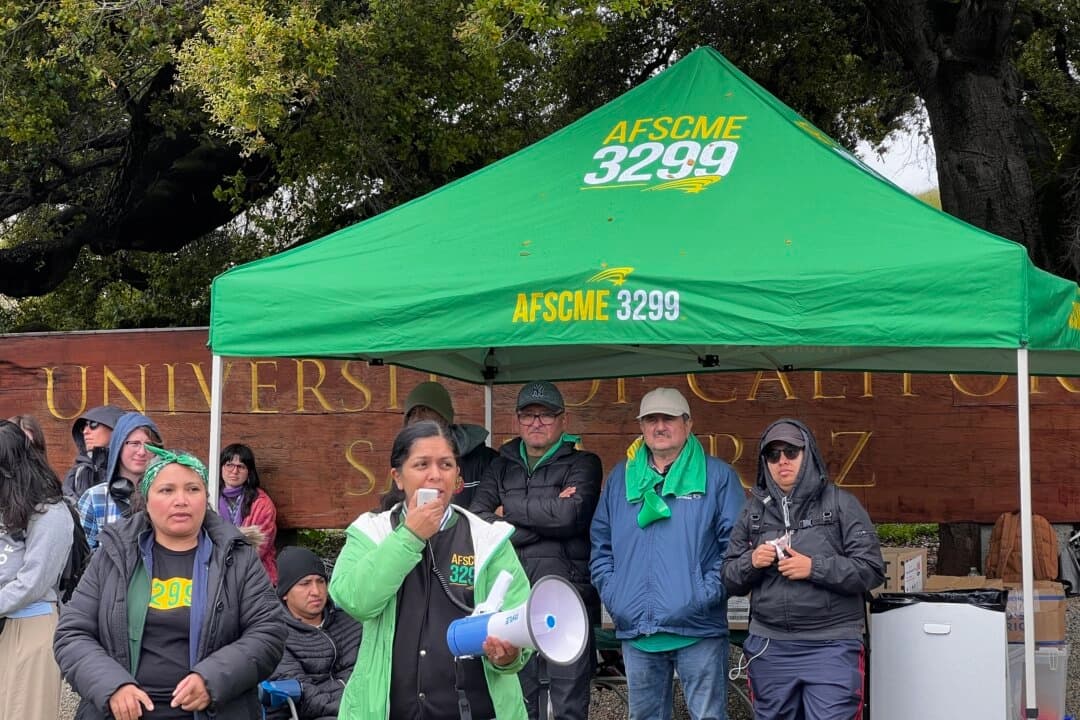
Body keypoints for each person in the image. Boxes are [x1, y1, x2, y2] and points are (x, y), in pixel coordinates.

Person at [54, 446, 285, 720]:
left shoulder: (237, 557)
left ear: (206, 498)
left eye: (192, 489)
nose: (181, 500)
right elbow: (71, 634)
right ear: (147, 501)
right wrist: (112, 685)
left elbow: (268, 632)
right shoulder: (113, 555)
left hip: (214, 710)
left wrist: (212, 679)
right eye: (166, 490)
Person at [329, 420, 532, 720]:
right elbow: (355, 600)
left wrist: (509, 656)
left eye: (446, 465)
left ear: (457, 478)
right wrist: (410, 536)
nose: (435, 475)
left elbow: (520, 617)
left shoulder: (488, 538)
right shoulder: (371, 532)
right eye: (422, 464)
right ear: (398, 477)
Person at [590, 387, 745, 720]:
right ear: (642, 427)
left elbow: (735, 548)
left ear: (688, 424)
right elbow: (600, 544)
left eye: (668, 418)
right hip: (638, 633)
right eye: (650, 419)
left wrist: (701, 595)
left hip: (698, 629)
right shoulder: (621, 478)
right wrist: (617, 595)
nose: (659, 426)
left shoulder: (718, 477)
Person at [722, 419, 885, 720]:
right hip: (769, 646)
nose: (782, 461)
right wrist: (752, 562)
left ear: (807, 453)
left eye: (791, 452)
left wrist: (814, 567)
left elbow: (872, 569)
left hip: (831, 644)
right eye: (773, 455)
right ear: (765, 462)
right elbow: (729, 579)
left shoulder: (841, 504)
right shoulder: (752, 512)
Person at [470, 380, 602, 720]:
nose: (536, 423)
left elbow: (571, 516)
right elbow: (481, 522)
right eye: (528, 415)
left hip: (567, 597)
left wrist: (508, 512)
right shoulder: (500, 465)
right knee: (519, 699)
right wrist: (548, 515)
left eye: (545, 415)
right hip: (512, 596)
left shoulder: (584, 463)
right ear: (516, 421)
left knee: (568, 704)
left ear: (563, 420)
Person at [0, 420, 74, 720]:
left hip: (29, 627)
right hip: (4, 622)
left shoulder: (51, 512)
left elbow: (34, 581)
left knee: (23, 713)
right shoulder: (7, 505)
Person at [265, 546, 362, 720]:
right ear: (285, 593)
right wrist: (357, 709)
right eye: (305, 584)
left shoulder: (351, 621)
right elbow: (306, 699)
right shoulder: (273, 634)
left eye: (320, 581)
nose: (316, 591)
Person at [380, 380, 497, 510]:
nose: (418, 417)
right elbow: (393, 508)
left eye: (424, 410)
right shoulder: (406, 460)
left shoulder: (484, 459)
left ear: (444, 416)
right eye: (412, 412)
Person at [76, 412, 161, 549]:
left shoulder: (165, 496)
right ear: (118, 446)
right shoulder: (94, 498)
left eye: (149, 445)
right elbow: (83, 558)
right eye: (134, 443)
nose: (142, 452)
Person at [218, 443, 278, 584]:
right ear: (220, 467)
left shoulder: (262, 503)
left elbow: (260, 545)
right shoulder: (208, 498)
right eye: (229, 465)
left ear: (249, 471)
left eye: (241, 467)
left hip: (255, 574)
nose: (234, 471)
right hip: (217, 572)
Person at [62, 405, 123, 500]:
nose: (85, 431)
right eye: (83, 427)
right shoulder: (78, 471)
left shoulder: (129, 466)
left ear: (114, 428)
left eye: (93, 424)